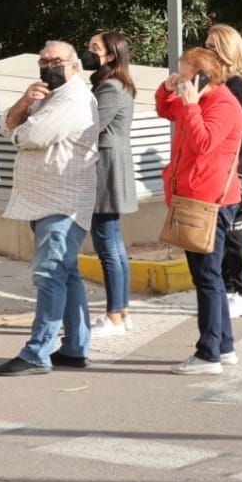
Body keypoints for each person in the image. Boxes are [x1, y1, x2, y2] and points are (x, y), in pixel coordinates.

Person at [0, 41, 101, 377]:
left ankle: (37, 352)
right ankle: (75, 347)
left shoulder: (74, 97)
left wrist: (19, 128)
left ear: (74, 65)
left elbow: (33, 136)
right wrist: (25, 102)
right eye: (44, 60)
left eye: (57, 60)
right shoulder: (45, 96)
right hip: (41, 199)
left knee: (50, 273)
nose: (49, 66)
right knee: (66, 274)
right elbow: (6, 125)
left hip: (63, 201)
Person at [156, 47, 242, 373]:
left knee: (208, 278)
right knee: (208, 277)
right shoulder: (197, 99)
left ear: (203, 76)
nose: (181, 78)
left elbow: (203, 143)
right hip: (192, 196)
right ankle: (224, 346)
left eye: (184, 73)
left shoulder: (222, 104)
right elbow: (165, 111)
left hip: (209, 202)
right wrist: (168, 89)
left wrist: (192, 106)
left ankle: (208, 353)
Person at [205, 24, 242, 319]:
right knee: (223, 233)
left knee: (235, 233)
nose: (207, 51)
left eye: (212, 47)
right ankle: (227, 288)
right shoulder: (219, 82)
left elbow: (231, 132)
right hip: (223, 167)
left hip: (235, 167)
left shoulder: (236, 85)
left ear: (226, 51)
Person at [86, 31, 138, 337]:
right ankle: (122, 310)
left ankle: (114, 317)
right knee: (113, 244)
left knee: (107, 244)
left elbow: (90, 127)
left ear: (111, 54)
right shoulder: (113, 84)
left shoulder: (110, 88)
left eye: (95, 48)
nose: (88, 52)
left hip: (106, 168)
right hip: (109, 166)